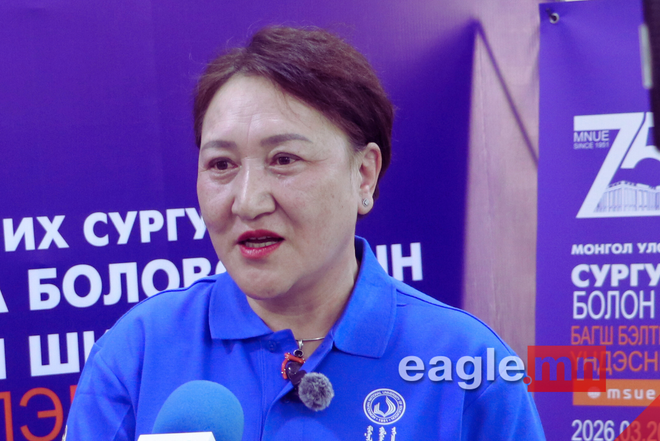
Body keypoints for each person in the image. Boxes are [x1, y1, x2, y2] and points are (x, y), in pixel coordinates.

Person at [65, 26, 546, 440]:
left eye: (284, 159)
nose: (247, 202)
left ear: (364, 175)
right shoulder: (138, 351)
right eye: (221, 164)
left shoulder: (468, 366)